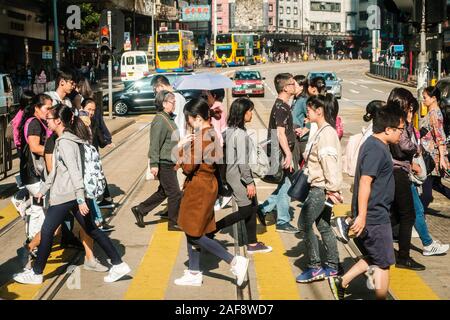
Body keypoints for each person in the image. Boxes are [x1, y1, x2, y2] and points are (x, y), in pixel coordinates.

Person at [13, 104, 131, 285]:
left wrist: (80, 198)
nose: (47, 121)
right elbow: (56, 172)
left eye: (50, 119)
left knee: (46, 231)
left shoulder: (66, 143)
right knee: (92, 229)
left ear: (58, 121)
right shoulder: (66, 140)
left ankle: (36, 273)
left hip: (66, 196)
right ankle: (118, 264)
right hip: (71, 195)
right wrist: (42, 191)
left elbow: (75, 172)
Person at [329, 103, 405, 300]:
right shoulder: (376, 149)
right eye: (400, 130)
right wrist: (362, 215)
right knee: (383, 263)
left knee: (376, 256)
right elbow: (365, 182)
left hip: (374, 213)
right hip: (375, 215)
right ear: (388, 129)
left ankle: (342, 281)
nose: (401, 135)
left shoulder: (374, 144)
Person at [173, 98, 249, 287]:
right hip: (208, 185)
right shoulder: (212, 133)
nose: (188, 123)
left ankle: (234, 261)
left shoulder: (202, 137)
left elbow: (189, 167)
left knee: (193, 232)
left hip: (198, 188)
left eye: (189, 119)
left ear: (197, 118)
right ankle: (194, 270)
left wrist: (181, 147)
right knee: (196, 229)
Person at [214, 98, 272, 254]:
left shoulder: (230, 130)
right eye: (250, 110)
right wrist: (249, 182)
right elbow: (242, 161)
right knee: (246, 211)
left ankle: (252, 243)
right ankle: (213, 228)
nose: (252, 113)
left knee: (252, 207)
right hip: (238, 177)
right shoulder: (240, 134)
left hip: (234, 174)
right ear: (242, 113)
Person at [296, 94, 343, 283]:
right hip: (320, 186)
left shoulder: (327, 133)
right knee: (323, 225)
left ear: (319, 111)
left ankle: (315, 267)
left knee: (304, 224)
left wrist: (332, 189)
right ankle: (332, 265)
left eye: (310, 108)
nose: (306, 111)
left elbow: (329, 162)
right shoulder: (321, 130)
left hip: (321, 188)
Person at [131, 91, 188, 231]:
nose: (174, 105)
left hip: (170, 161)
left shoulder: (168, 118)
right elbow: (155, 143)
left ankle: (140, 209)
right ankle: (173, 222)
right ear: (163, 104)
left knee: (164, 191)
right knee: (175, 193)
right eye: (172, 102)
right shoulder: (160, 119)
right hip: (164, 162)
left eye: (175, 102)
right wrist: (154, 164)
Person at [386, 88, 425, 271]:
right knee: (407, 215)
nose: (410, 111)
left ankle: (377, 243)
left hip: (397, 171)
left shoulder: (391, 118)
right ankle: (403, 257)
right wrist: (417, 149)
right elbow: (405, 147)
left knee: (394, 214)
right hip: (397, 171)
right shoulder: (397, 122)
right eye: (409, 107)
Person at [257, 73, 298, 233]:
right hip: (280, 152)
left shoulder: (282, 105)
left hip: (279, 150)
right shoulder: (281, 107)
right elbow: (280, 133)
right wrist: (288, 154)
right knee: (287, 184)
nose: (296, 86)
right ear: (286, 88)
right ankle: (282, 221)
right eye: (293, 84)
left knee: (286, 184)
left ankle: (264, 209)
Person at [18, 94, 53, 246]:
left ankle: (32, 238)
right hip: (33, 173)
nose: (50, 111)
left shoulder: (35, 121)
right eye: (47, 108)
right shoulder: (35, 123)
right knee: (43, 209)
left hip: (30, 173)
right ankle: (37, 241)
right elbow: (34, 147)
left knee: (37, 207)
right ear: (37, 108)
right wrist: (54, 152)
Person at [420, 86, 450, 211]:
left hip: (431, 157)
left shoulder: (434, 114)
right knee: (436, 185)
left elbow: (440, 136)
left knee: (426, 186)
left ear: (433, 98)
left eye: (425, 97)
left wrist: (442, 158)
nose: (423, 100)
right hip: (431, 154)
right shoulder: (433, 111)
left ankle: (418, 213)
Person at [151, 75, 187, 139]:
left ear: (161, 86)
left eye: (156, 89)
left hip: (174, 137)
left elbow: (165, 119)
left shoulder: (169, 99)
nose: (157, 93)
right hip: (183, 134)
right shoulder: (181, 96)